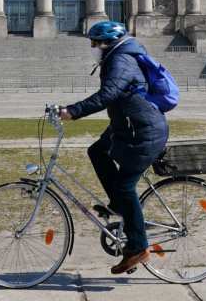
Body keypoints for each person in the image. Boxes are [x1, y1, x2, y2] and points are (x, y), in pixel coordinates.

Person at [59, 21, 169, 275]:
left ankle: (140, 247)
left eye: (95, 43)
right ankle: (119, 205)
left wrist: (73, 111)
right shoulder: (116, 57)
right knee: (96, 151)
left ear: (107, 43)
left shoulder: (121, 60)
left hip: (144, 132)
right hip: (127, 126)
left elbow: (107, 94)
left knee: (125, 185)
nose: (92, 48)